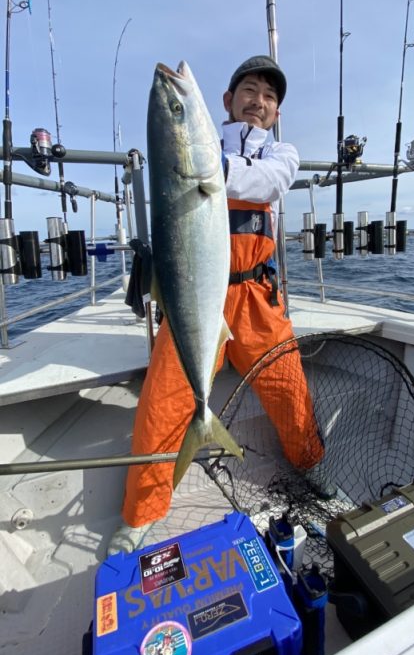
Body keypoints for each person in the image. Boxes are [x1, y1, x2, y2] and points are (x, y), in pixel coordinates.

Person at [107, 55, 333, 557]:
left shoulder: (283, 154)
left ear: (275, 114)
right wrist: (191, 157)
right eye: (250, 90)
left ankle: (310, 470)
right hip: (196, 294)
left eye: (270, 97)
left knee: (290, 391)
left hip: (257, 299)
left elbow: (268, 184)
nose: (260, 101)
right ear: (226, 101)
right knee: (162, 402)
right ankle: (141, 514)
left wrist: (198, 162)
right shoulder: (196, 150)